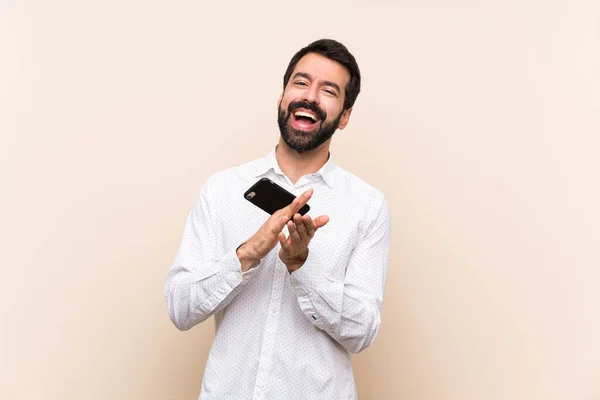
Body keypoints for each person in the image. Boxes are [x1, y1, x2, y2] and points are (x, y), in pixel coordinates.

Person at [164, 38, 391, 400]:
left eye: (328, 90)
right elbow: (180, 307)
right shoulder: (222, 189)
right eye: (300, 83)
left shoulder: (367, 206)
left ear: (344, 116)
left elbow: (363, 331)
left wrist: (303, 268)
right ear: (282, 97)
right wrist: (247, 254)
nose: (310, 97)